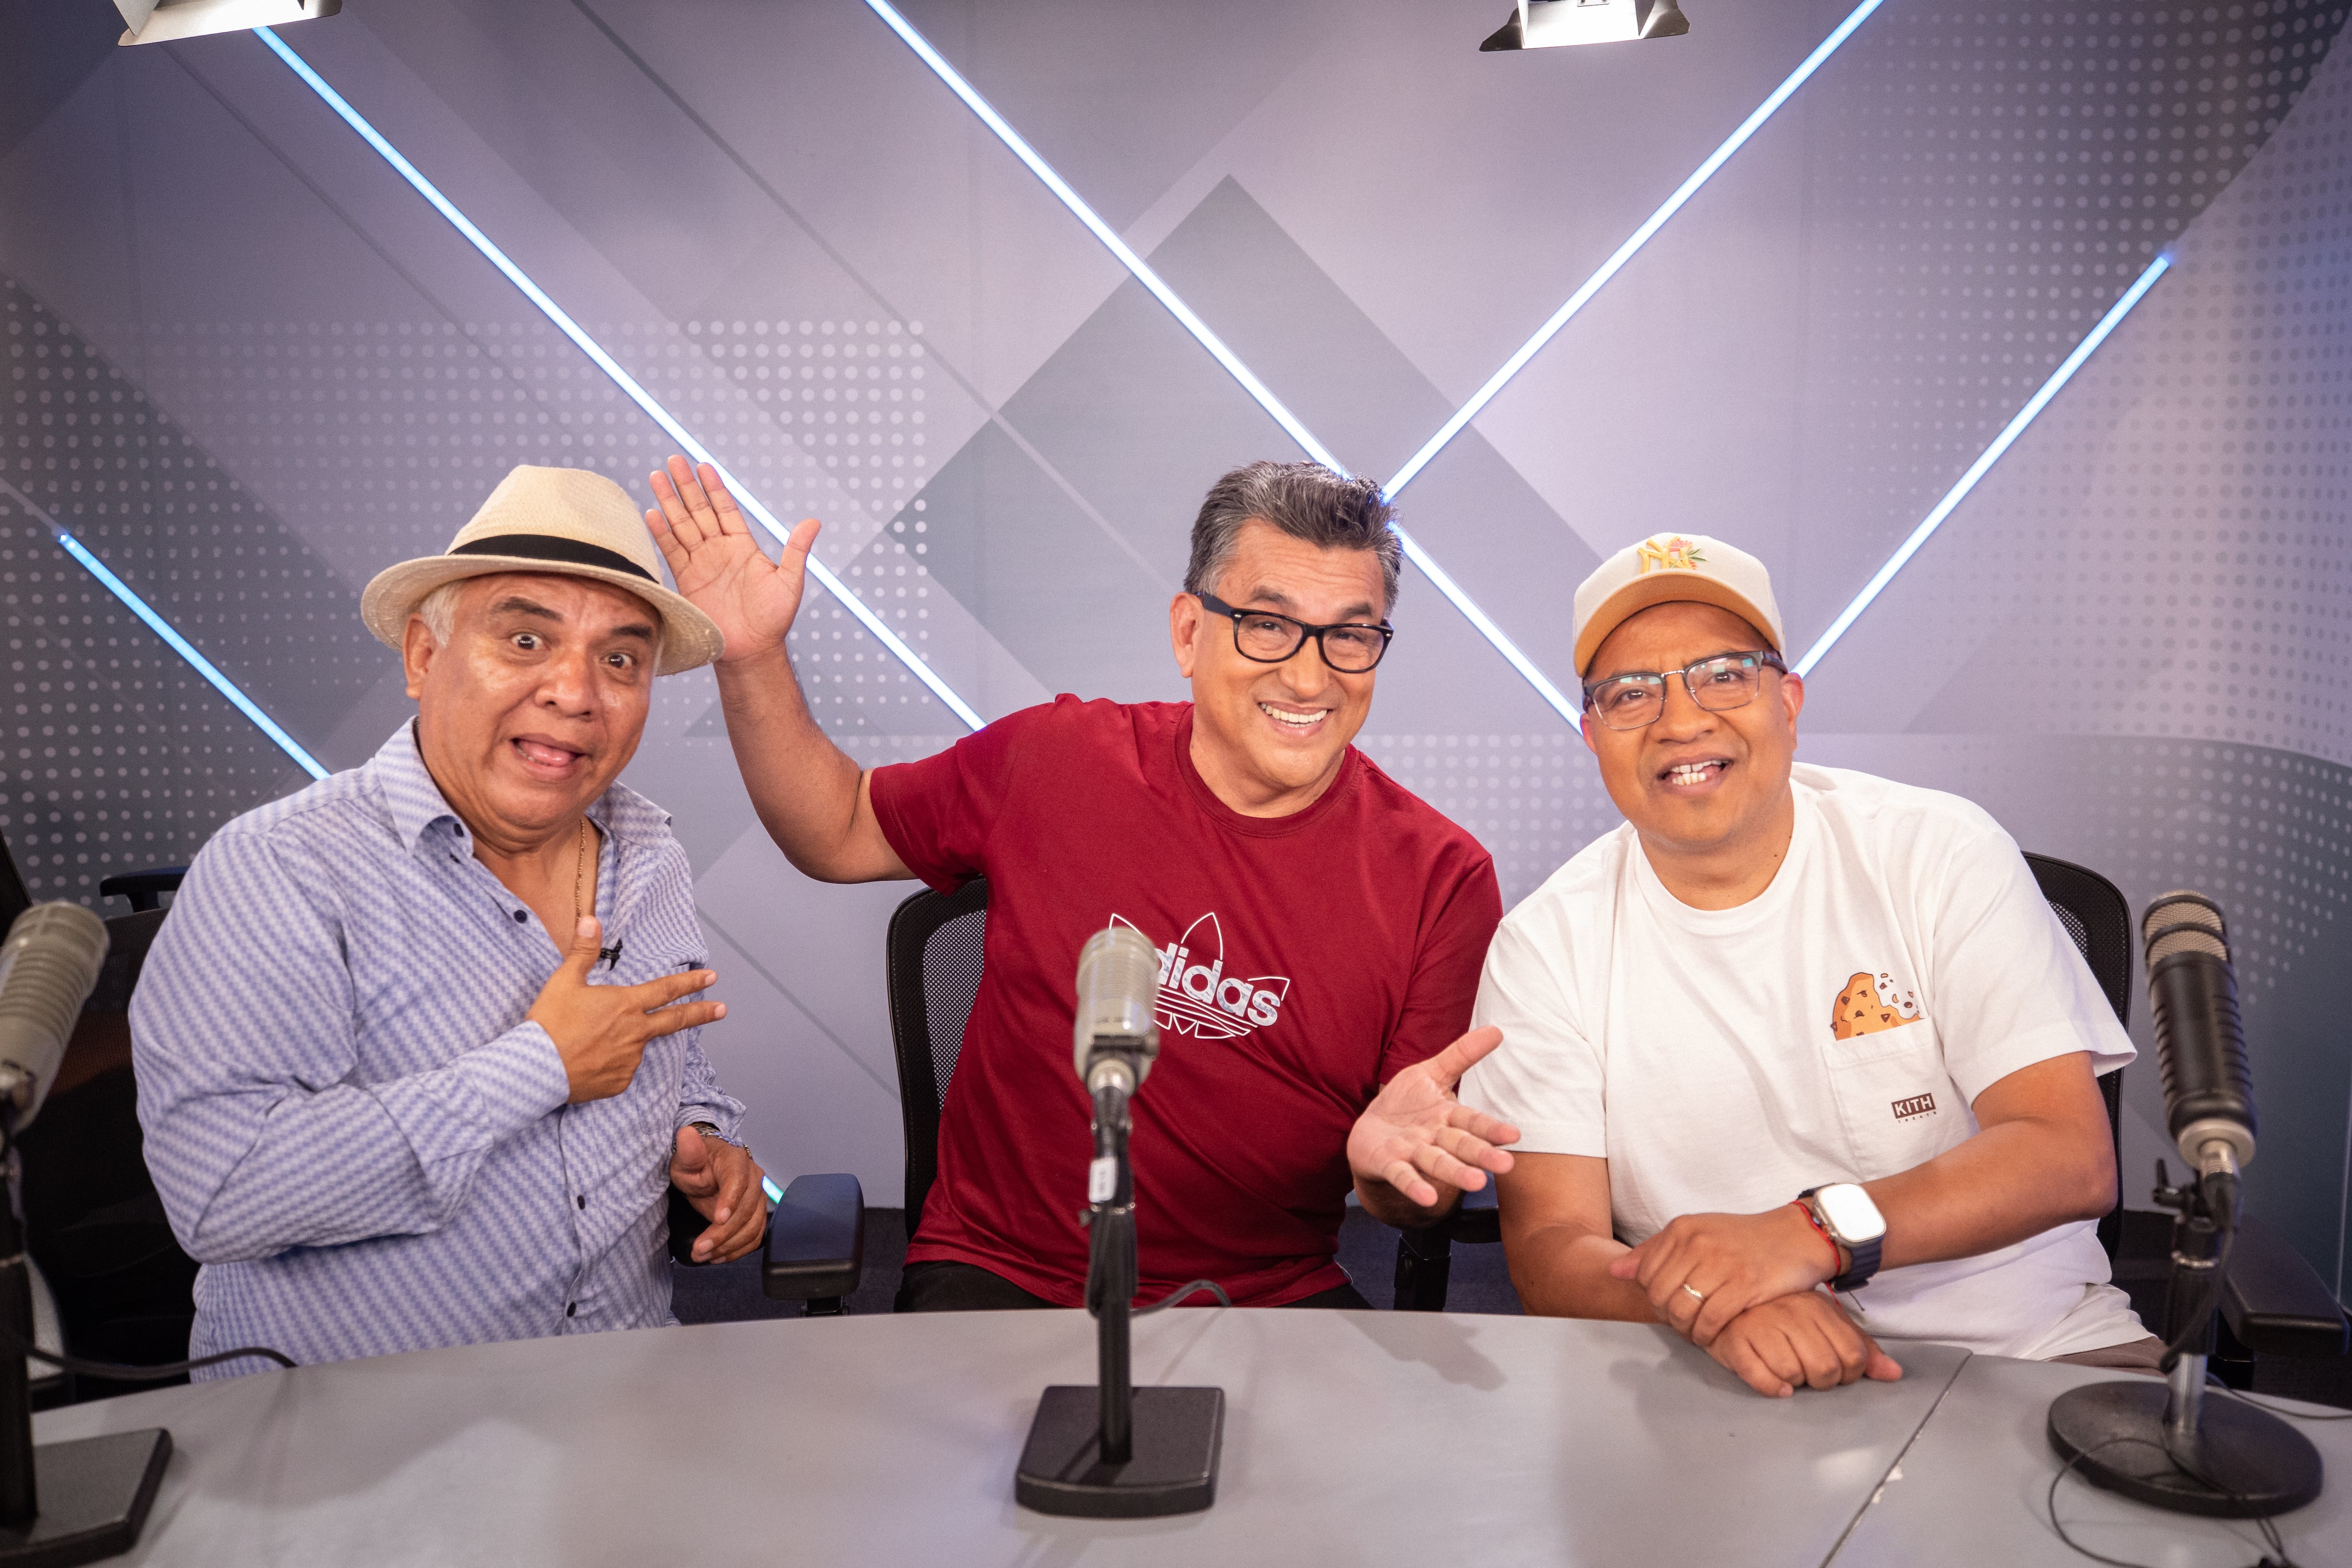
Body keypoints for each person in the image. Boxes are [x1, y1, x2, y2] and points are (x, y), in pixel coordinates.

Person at [644, 455, 1518, 1310]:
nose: (1308, 673)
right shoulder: (1054, 761)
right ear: (1188, 630)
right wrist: (749, 657)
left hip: (1266, 1297)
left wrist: (1392, 1176)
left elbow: (1419, 1187)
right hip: (999, 1273)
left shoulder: (1442, 879)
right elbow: (833, 829)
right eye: (1267, 622)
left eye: (1351, 634)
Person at [1460, 533, 2153, 1397]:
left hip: (2031, 1350)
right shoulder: (1545, 945)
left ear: (1787, 700)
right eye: (1632, 694)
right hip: (1719, 1374)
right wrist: (1711, 1302)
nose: (1682, 719)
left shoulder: (1939, 852)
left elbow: (2066, 1156)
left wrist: (1810, 1235)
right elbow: (1549, 1251)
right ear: (1592, 734)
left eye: (1724, 674)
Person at [134, 465, 767, 1376]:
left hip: (623, 1393)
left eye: (620, 659)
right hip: (366, 1441)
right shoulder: (282, 866)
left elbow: (666, 1057)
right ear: (424, 658)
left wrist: (709, 1148)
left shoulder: (649, 854)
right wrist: (537, 1066)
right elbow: (225, 1194)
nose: (575, 691)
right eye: (523, 639)